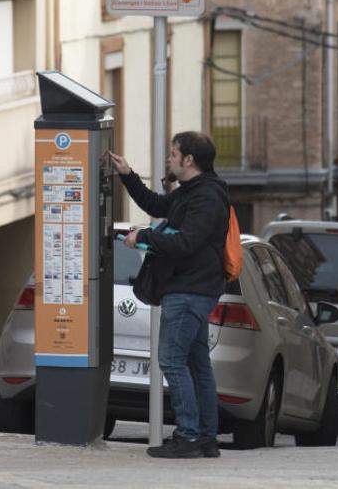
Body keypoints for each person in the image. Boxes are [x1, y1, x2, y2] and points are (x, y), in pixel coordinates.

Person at [109, 131, 229, 459]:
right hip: (190, 289)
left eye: (173, 154)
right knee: (197, 363)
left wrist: (145, 236)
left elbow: (185, 243)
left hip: (190, 290)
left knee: (172, 361)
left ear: (188, 160)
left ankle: (189, 435)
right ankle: (205, 437)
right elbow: (157, 205)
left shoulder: (207, 197)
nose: (169, 159)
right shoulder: (192, 192)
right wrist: (128, 176)